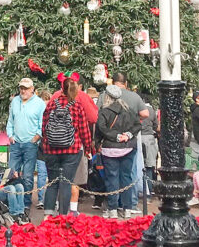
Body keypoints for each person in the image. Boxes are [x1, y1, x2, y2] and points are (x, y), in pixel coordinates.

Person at [41, 77, 93, 217]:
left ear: (61, 88)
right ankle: (63, 215)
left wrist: (46, 143)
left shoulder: (51, 105)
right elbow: (84, 130)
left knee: (52, 182)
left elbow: (44, 127)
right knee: (66, 182)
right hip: (72, 149)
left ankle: (48, 214)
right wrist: (88, 149)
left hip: (51, 149)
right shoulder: (76, 106)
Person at [96, 84, 142, 219]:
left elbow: (101, 129)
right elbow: (138, 125)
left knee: (112, 178)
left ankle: (112, 209)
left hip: (110, 148)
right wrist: (127, 135)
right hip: (128, 147)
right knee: (126, 177)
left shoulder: (104, 112)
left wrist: (111, 138)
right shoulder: (129, 110)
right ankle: (127, 208)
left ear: (107, 97)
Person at [6, 78, 45, 213]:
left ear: (32, 89)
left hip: (30, 144)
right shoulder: (15, 101)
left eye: (26, 88)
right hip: (16, 143)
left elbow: (42, 123)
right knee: (11, 173)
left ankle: (26, 203)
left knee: (28, 176)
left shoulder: (40, 104)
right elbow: (10, 120)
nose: (23, 90)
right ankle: (12, 200)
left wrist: (36, 138)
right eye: (21, 88)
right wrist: (10, 135)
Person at [139, 90, 159, 194]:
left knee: (140, 165)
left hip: (139, 137)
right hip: (149, 138)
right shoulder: (151, 110)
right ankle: (150, 190)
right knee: (150, 165)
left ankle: (142, 189)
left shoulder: (137, 109)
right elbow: (156, 125)